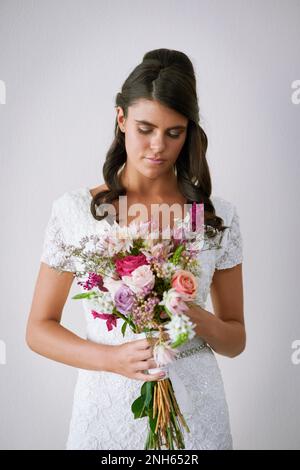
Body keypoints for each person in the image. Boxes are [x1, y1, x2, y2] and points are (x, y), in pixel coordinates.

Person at [26, 48, 245, 450]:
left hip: (198, 414)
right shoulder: (75, 212)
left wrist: (192, 314)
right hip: (105, 410)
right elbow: (38, 329)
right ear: (121, 118)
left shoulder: (215, 217)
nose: (158, 146)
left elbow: (235, 340)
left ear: (189, 132)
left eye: (174, 132)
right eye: (145, 128)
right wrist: (111, 359)